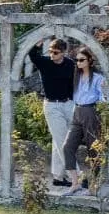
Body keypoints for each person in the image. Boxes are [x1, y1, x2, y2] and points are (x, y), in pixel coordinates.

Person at [27, 36, 77, 185]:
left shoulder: (70, 64)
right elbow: (32, 55)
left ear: (63, 52)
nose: (52, 55)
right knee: (64, 142)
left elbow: (73, 83)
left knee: (59, 140)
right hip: (52, 105)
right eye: (50, 51)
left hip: (68, 104)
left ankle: (58, 177)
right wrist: (39, 42)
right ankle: (77, 177)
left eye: (55, 52)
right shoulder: (45, 62)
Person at [63, 49, 109, 195]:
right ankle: (75, 182)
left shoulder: (97, 78)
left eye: (82, 60)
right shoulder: (76, 76)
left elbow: (105, 98)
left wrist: (105, 98)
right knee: (67, 147)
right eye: (77, 60)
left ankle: (94, 185)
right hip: (77, 112)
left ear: (89, 60)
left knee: (93, 149)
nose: (78, 63)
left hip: (90, 112)